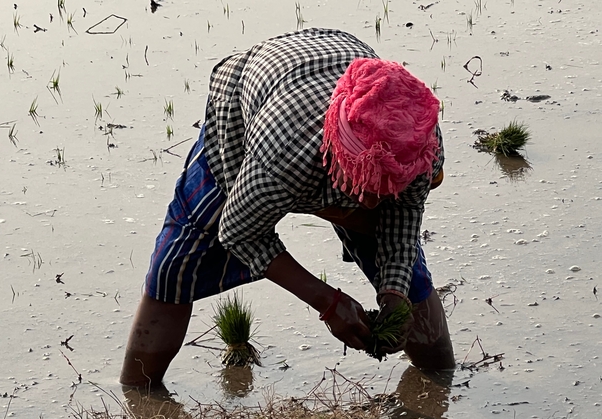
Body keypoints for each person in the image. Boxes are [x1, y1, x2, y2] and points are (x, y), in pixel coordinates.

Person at [120, 28, 455, 389]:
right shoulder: (282, 153)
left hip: (331, 85)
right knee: (174, 269)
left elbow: (402, 227)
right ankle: (140, 396)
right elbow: (238, 230)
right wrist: (327, 301)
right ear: (336, 155)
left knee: (407, 274)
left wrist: (395, 294)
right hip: (252, 111)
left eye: (385, 189)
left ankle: (440, 387)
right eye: (364, 187)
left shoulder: (417, 144)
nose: (371, 204)